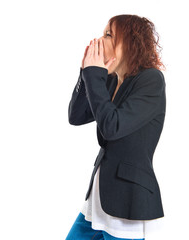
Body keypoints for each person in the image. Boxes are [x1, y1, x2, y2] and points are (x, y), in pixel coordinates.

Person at [66, 14, 166, 240]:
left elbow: (112, 126)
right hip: (99, 199)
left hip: (126, 202)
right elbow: (76, 115)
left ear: (130, 42)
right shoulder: (110, 81)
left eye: (108, 34)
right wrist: (86, 74)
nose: (100, 40)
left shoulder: (151, 80)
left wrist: (94, 76)